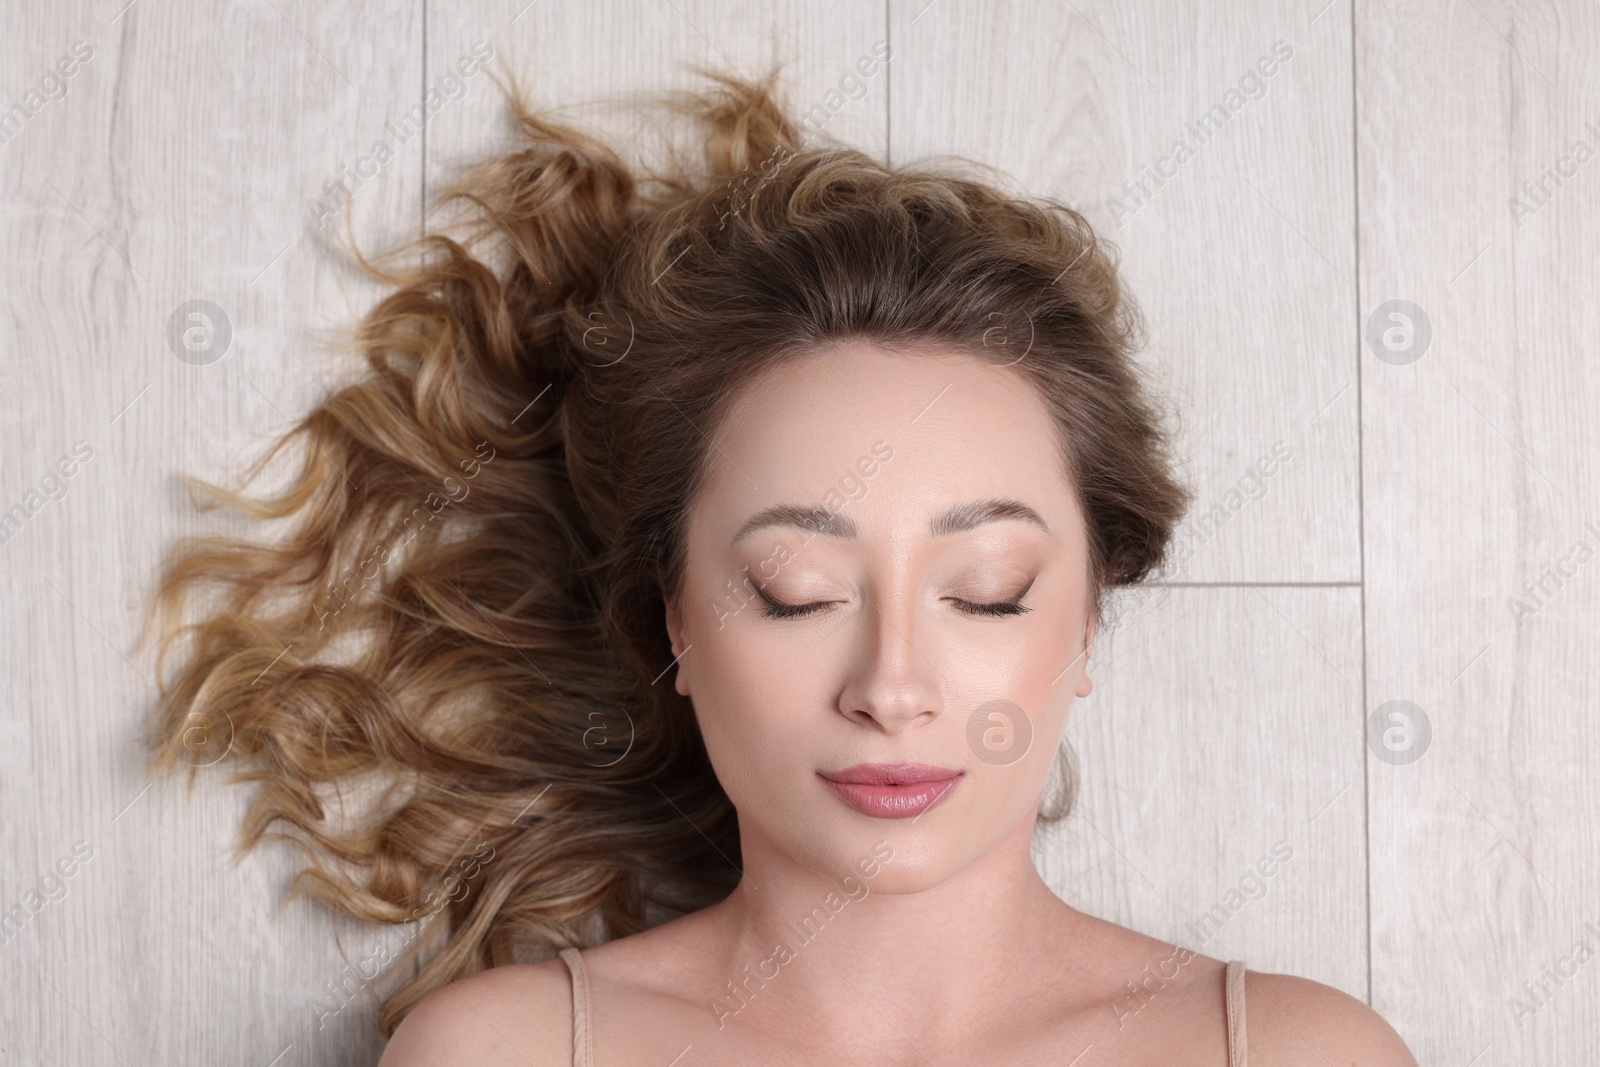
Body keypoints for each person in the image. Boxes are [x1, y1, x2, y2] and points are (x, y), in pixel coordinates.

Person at [140, 63, 1418, 1066]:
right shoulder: (509, 1052)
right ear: (673, 626)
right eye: (797, 591)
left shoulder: (1300, 1053)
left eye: (986, 589)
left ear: (1084, 625)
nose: (894, 684)